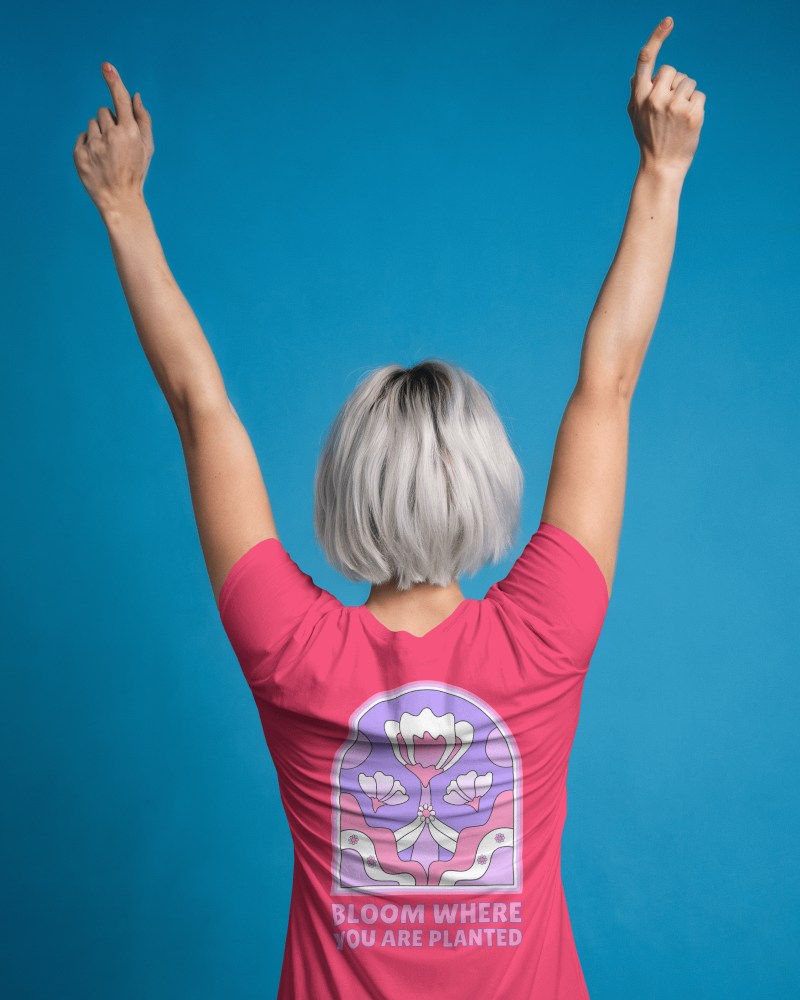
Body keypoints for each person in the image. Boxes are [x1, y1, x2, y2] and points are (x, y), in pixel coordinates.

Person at [73, 14, 704, 998]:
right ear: (487, 481)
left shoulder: (290, 648)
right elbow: (608, 385)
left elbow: (201, 409)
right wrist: (662, 171)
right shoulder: (545, 632)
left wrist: (122, 207)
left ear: (343, 488)